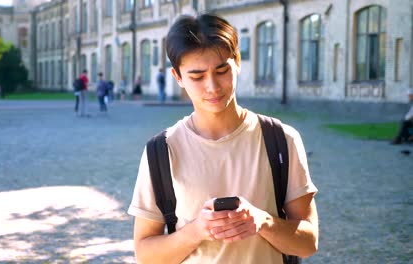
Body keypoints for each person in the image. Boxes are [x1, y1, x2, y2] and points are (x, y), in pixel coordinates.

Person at [128, 14, 319, 263]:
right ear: (178, 77)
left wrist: (262, 221)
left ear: (237, 62)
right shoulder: (161, 151)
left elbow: (308, 243)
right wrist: (196, 231)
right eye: (197, 76)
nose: (213, 86)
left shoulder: (282, 139)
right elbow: (145, 254)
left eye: (221, 70)